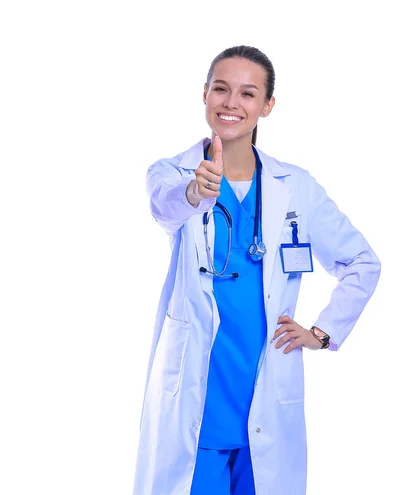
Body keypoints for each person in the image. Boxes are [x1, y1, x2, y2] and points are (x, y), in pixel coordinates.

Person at [133, 45, 381, 495]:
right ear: (204, 94)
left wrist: (322, 332)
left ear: (266, 105)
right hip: (198, 402)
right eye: (221, 89)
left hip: (264, 397)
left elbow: (362, 262)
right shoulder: (172, 172)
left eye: (248, 94)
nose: (232, 103)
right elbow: (163, 207)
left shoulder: (296, 187)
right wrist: (193, 191)